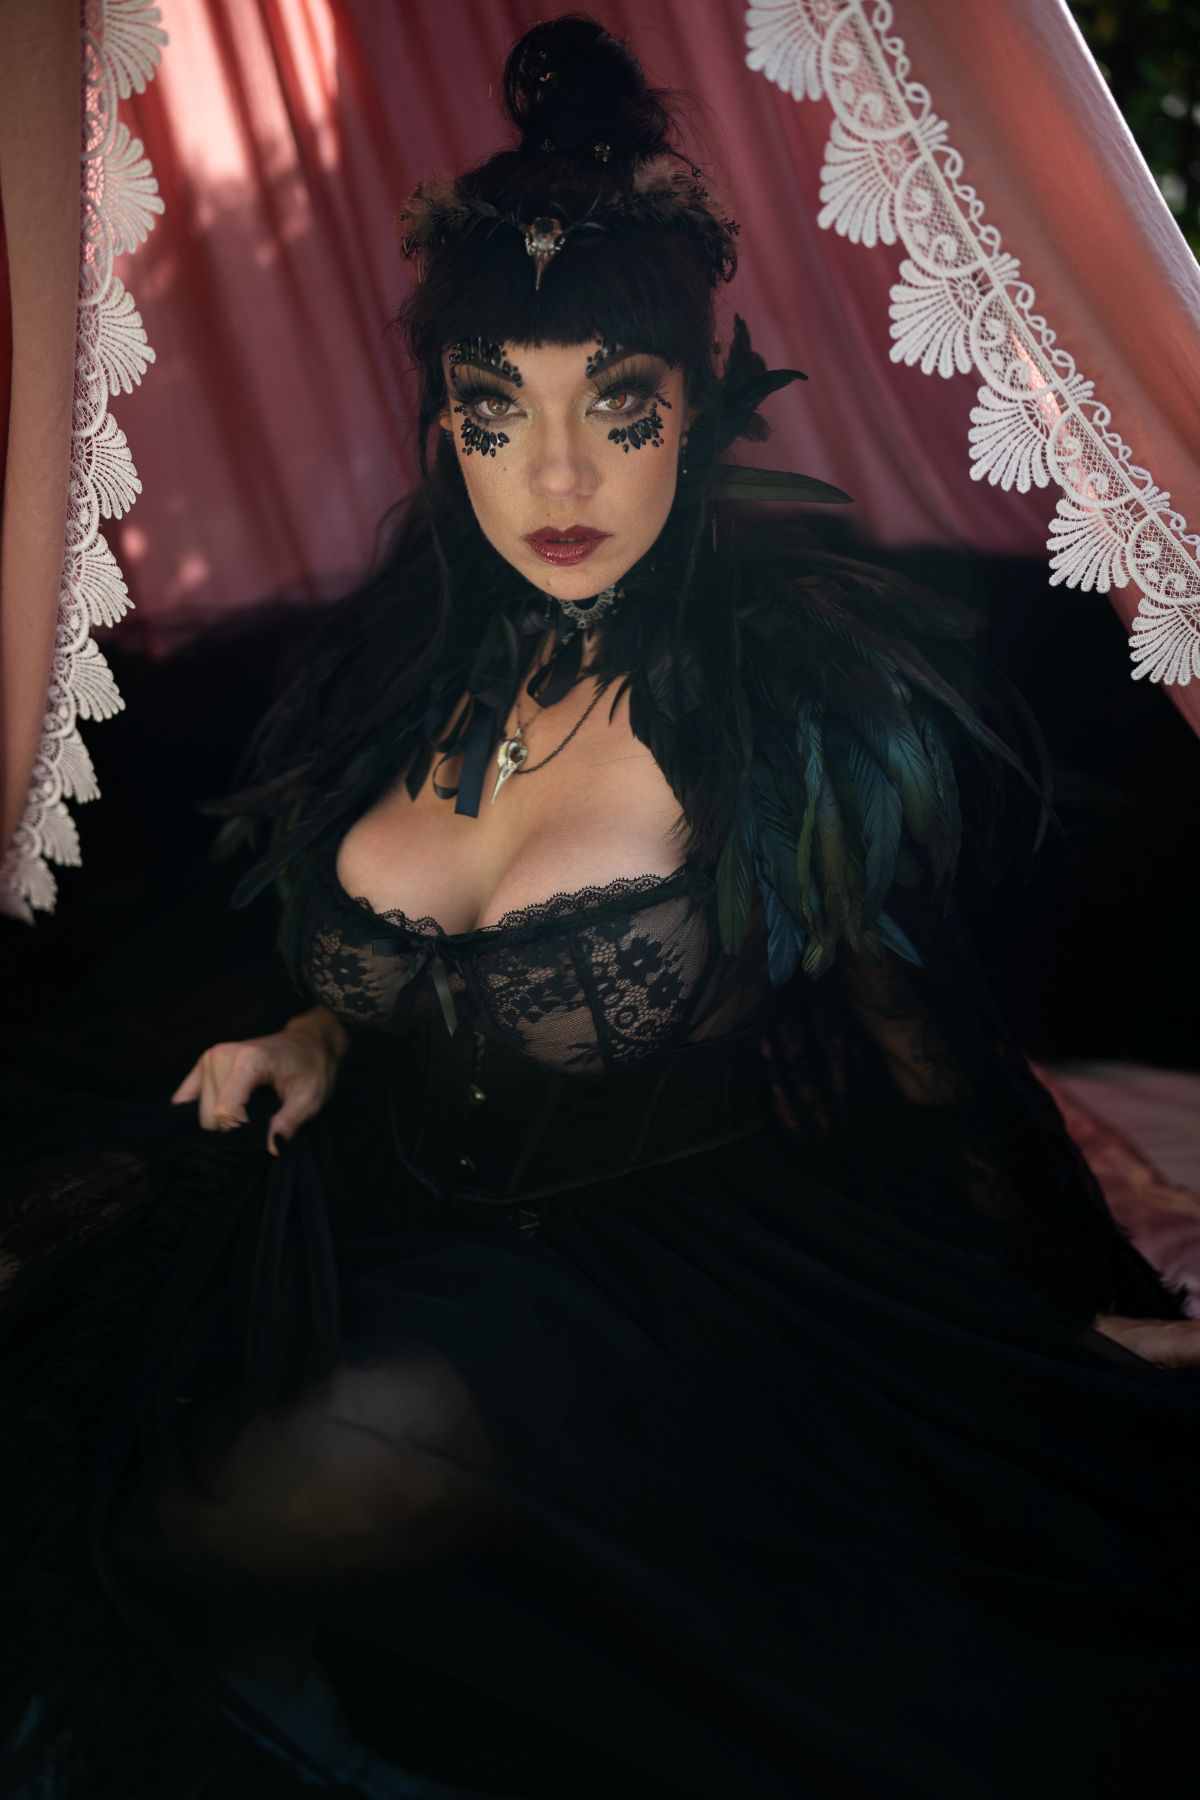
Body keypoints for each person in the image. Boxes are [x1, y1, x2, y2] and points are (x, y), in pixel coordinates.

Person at [3, 16, 1200, 1799]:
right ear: (447, 427)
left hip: (655, 1278)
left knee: (251, 1500)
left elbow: (926, 1050)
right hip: (369, 1202)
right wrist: (315, 1027)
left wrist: (1052, 1320)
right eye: (498, 414)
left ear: (696, 413)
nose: (553, 481)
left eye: (615, 410)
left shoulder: (783, 703)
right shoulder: (395, 675)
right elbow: (396, 954)